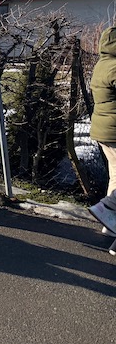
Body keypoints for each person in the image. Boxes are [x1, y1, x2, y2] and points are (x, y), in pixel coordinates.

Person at [88, 24, 116, 255]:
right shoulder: (115, 67)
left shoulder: (103, 63)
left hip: (103, 130)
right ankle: (106, 208)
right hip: (114, 131)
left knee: (115, 177)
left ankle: (110, 223)